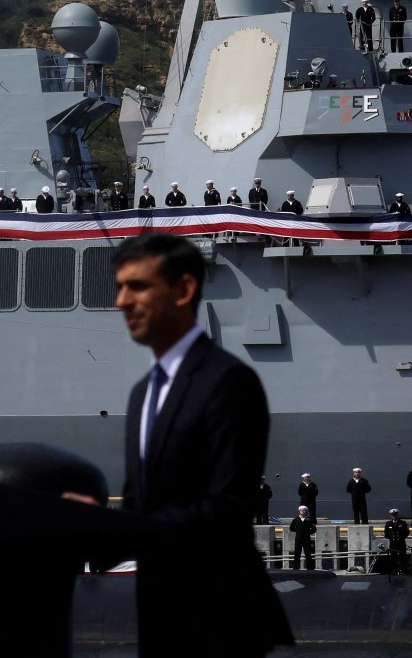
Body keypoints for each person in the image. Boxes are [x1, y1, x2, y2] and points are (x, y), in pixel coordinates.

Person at [109, 232, 291, 654]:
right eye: (119, 287)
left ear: (183, 290)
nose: (122, 301)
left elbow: (226, 508)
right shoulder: (142, 394)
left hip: (220, 617)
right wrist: (81, 526)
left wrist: (121, 526)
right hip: (159, 618)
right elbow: (141, 506)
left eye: (137, 286)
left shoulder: (227, 381)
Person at [383, 509, 410, 574]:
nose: (394, 517)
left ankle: (403, 571)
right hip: (393, 544)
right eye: (393, 515)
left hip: (401, 543)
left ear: (397, 515)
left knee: (402, 558)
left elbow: (407, 532)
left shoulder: (403, 523)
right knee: (393, 558)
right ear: (391, 516)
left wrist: (402, 537)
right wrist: (391, 538)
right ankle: (394, 571)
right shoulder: (388, 523)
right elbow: (386, 533)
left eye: (395, 515)